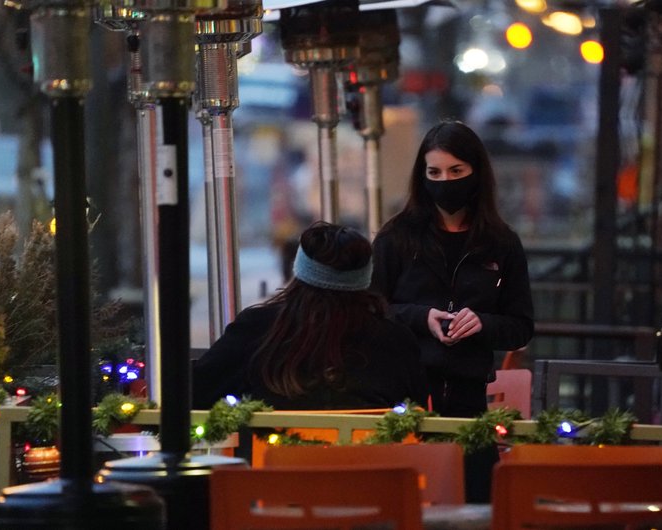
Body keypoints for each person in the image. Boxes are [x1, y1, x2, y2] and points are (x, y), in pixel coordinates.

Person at [371, 120, 535, 501]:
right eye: (435, 172)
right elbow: (371, 309)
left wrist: (482, 323)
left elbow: (521, 326)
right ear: (422, 176)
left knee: (478, 500)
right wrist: (420, 317)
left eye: (456, 171)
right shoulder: (397, 237)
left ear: (476, 173)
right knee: (405, 503)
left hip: (470, 402)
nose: (445, 181)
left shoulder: (501, 243)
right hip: (403, 399)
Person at [192, 221, 428, 411]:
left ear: (299, 272)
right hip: (373, 465)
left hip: (271, 465)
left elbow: (197, 393)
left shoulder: (257, 329)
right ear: (365, 278)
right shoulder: (395, 340)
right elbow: (414, 411)